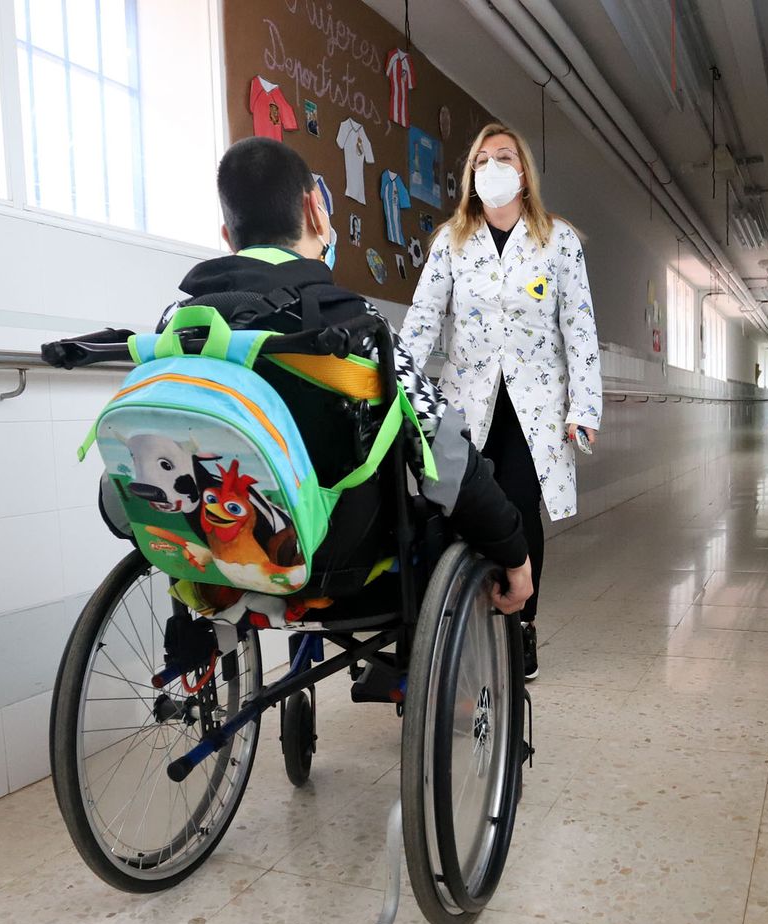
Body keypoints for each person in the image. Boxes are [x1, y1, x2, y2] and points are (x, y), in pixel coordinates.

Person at [139, 137, 535, 615]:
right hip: (336, 556)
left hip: (205, 546)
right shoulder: (355, 322)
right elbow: (440, 448)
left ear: (228, 235)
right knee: (446, 513)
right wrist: (513, 549)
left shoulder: (180, 325)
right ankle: (456, 691)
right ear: (315, 210)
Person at [402, 123, 602, 680]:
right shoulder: (451, 241)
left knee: (517, 513)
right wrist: (394, 384)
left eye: (504, 156)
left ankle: (521, 626)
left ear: (523, 170)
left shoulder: (557, 239)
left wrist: (584, 407)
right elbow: (422, 319)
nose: (492, 165)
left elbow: (579, 327)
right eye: (481, 158)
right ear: (470, 175)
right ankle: (460, 624)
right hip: (466, 398)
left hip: (534, 404)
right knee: (455, 509)